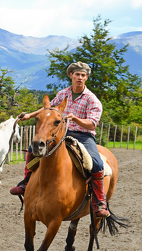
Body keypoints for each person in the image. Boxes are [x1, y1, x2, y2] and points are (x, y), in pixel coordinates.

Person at [10, 61, 110, 218]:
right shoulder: (63, 93)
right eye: (77, 74)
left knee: (96, 163)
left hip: (83, 135)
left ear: (86, 78)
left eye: (83, 75)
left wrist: (75, 119)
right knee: (33, 148)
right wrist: (30, 115)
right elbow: (48, 109)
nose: (80, 77)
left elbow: (91, 124)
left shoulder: (92, 100)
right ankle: (26, 182)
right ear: (71, 75)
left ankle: (99, 202)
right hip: (61, 132)